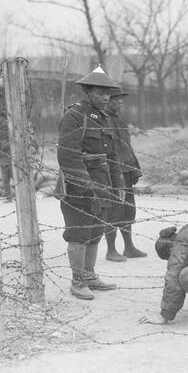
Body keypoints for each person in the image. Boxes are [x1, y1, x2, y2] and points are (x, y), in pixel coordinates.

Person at [56, 66, 124, 300]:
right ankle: (77, 281)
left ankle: (90, 275)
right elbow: (68, 155)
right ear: (87, 93)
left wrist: (118, 186)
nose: (105, 98)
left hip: (102, 184)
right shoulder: (73, 117)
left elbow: (113, 156)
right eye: (99, 94)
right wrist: (86, 186)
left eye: (108, 94)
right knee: (78, 234)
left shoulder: (105, 119)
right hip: (79, 187)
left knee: (95, 232)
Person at [103, 88, 147, 262]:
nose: (120, 102)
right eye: (116, 99)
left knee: (128, 210)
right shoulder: (102, 121)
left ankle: (129, 247)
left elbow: (127, 147)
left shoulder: (120, 121)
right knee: (114, 210)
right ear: (107, 100)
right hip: (113, 173)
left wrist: (135, 166)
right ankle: (111, 250)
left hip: (127, 170)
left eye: (121, 99)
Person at [0, 107, 13, 201]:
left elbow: (13, 140)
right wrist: (1, 145)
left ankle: (15, 196)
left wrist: (4, 145)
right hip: (2, 158)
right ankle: (9, 196)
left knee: (14, 177)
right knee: (6, 179)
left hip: (11, 157)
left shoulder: (10, 127)